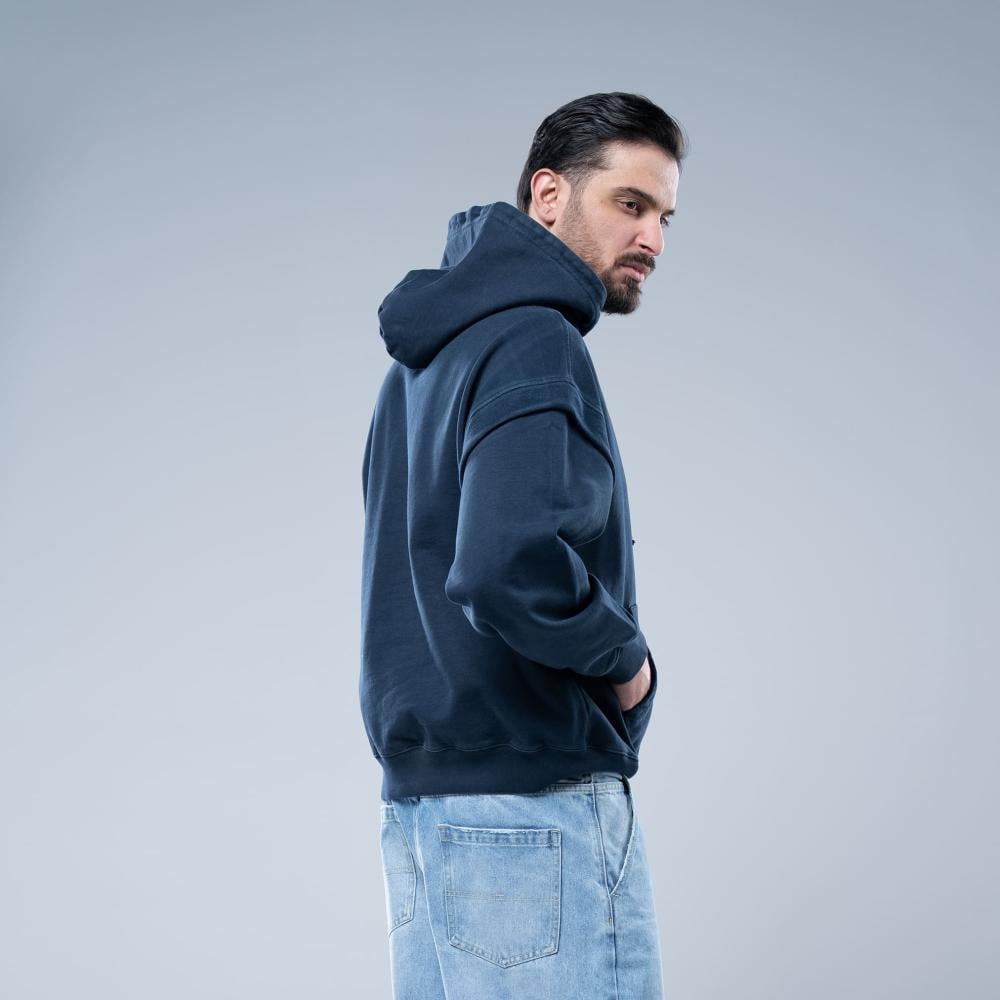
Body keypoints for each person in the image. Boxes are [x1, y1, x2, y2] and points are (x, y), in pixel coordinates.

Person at [360, 91, 686, 999]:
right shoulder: (537, 342)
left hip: (426, 808)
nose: (653, 238)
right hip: (533, 809)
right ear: (549, 195)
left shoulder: (422, 363)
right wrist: (627, 664)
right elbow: (507, 563)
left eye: (664, 216)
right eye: (630, 203)